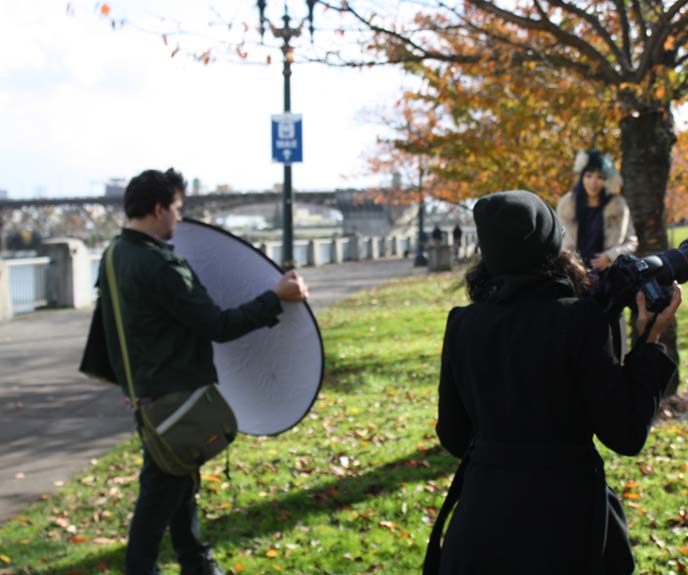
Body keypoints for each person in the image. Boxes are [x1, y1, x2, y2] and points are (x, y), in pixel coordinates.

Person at [427, 190, 679, 574]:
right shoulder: (581, 320)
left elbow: (454, 436)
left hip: (481, 529)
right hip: (568, 528)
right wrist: (648, 343)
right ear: (553, 243)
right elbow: (626, 434)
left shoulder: (462, 324)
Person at [95, 168, 308, 575]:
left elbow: (107, 329)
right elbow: (219, 326)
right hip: (176, 394)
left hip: (148, 394)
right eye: (176, 208)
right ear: (158, 209)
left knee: (179, 480)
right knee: (161, 492)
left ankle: (197, 561)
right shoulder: (161, 266)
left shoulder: (114, 255)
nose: (179, 218)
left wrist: (128, 382)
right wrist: (275, 297)